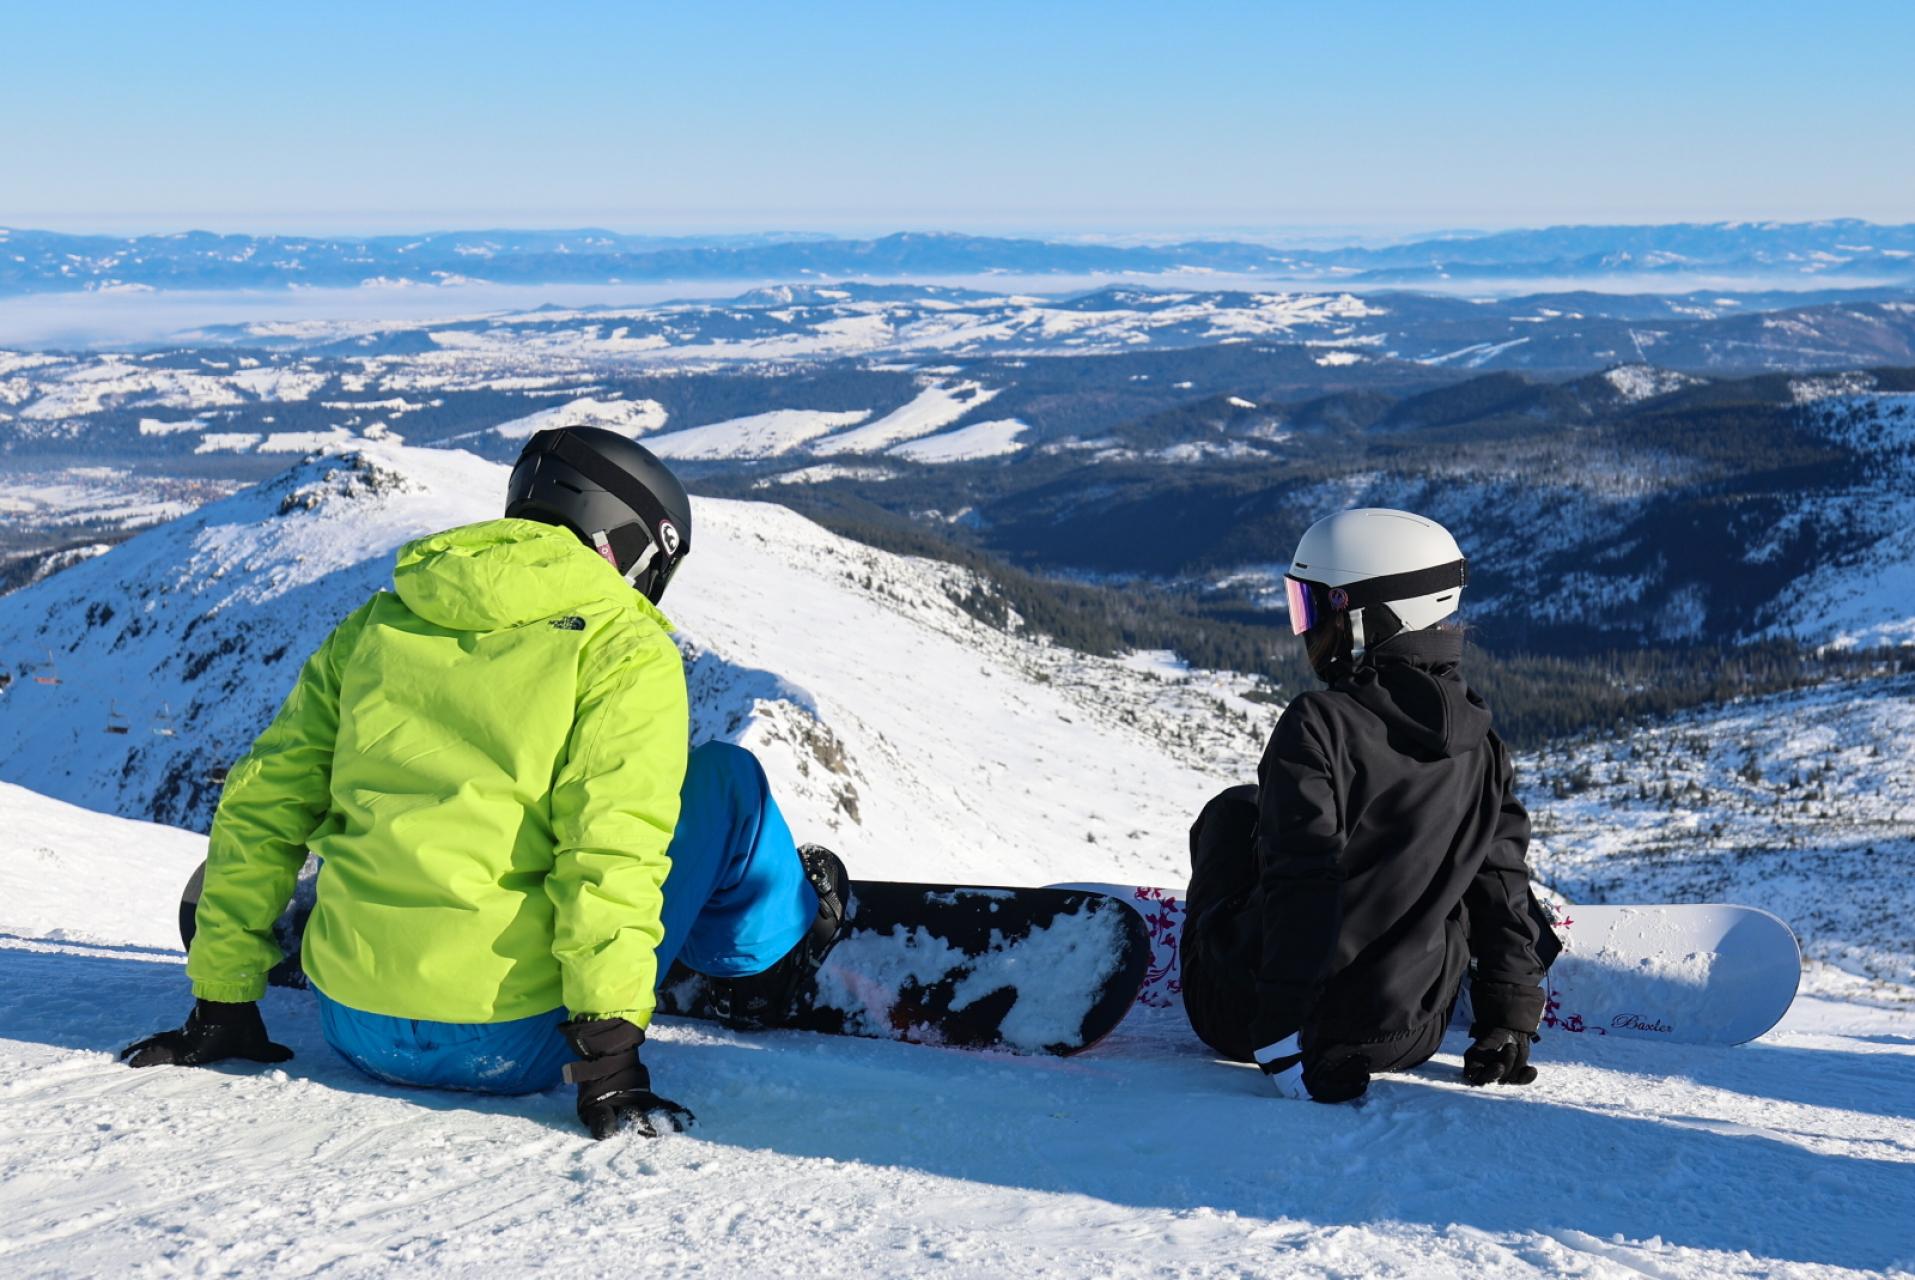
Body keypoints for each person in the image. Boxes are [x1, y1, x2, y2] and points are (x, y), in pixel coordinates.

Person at [122, 427, 849, 1140]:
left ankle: (378, 922)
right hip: (525, 1043)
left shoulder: (374, 625)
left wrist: (222, 1001)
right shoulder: (621, 645)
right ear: (627, 541)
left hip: (352, 1024)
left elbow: (265, 802)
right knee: (725, 777)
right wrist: (611, 1061)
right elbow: (609, 847)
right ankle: (758, 968)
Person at [1179, 507, 1559, 1103]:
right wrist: (1509, 1023)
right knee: (1460, 855)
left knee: (1231, 815)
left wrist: (1281, 1041)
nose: (1302, 629)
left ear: (1364, 617)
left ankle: (1228, 948)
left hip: (1259, 1023)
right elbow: (1501, 883)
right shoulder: (1481, 740)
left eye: (1311, 607)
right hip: (1408, 1034)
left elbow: (1305, 882)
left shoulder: (1319, 724)